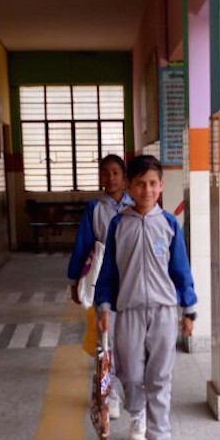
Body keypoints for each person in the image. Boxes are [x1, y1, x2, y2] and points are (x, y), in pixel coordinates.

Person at [95, 155, 197, 440]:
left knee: (160, 377)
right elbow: (108, 271)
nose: (147, 190)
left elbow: (181, 269)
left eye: (153, 183)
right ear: (130, 186)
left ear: (162, 186)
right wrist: (104, 306)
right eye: (140, 183)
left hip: (165, 311)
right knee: (131, 374)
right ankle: (136, 414)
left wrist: (189, 309)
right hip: (128, 311)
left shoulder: (168, 224)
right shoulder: (118, 224)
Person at [67, 154, 134, 419]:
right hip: (103, 285)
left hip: (132, 282)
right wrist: (74, 282)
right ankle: (109, 396)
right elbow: (82, 245)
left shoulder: (135, 205)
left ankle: (132, 392)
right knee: (105, 341)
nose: (110, 177)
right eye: (105, 172)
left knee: (130, 341)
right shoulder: (94, 209)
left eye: (115, 172)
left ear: (125, 177)